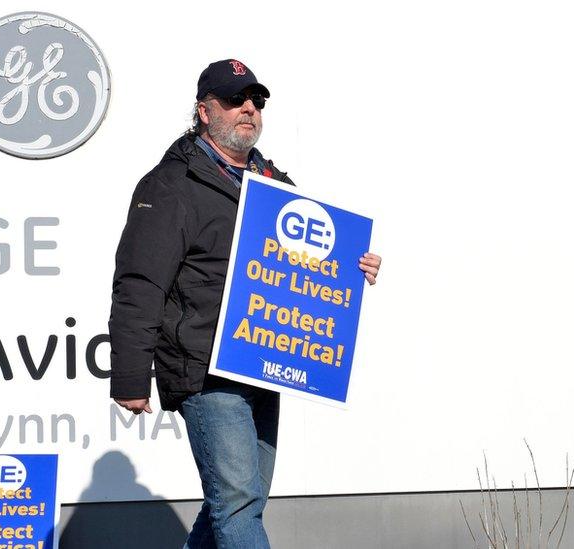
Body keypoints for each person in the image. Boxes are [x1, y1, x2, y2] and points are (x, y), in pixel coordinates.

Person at [108, 59, 381, 548]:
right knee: (237, 507)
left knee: (238, 504)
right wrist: (131, 376)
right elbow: (139, 283)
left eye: (256, 101)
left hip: (262, 364)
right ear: (204, 111)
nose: (248, 109)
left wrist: (352, 268)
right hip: (207, 371)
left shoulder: (272, 183)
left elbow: (305, 264)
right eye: (235, 100)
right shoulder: (171, 185)